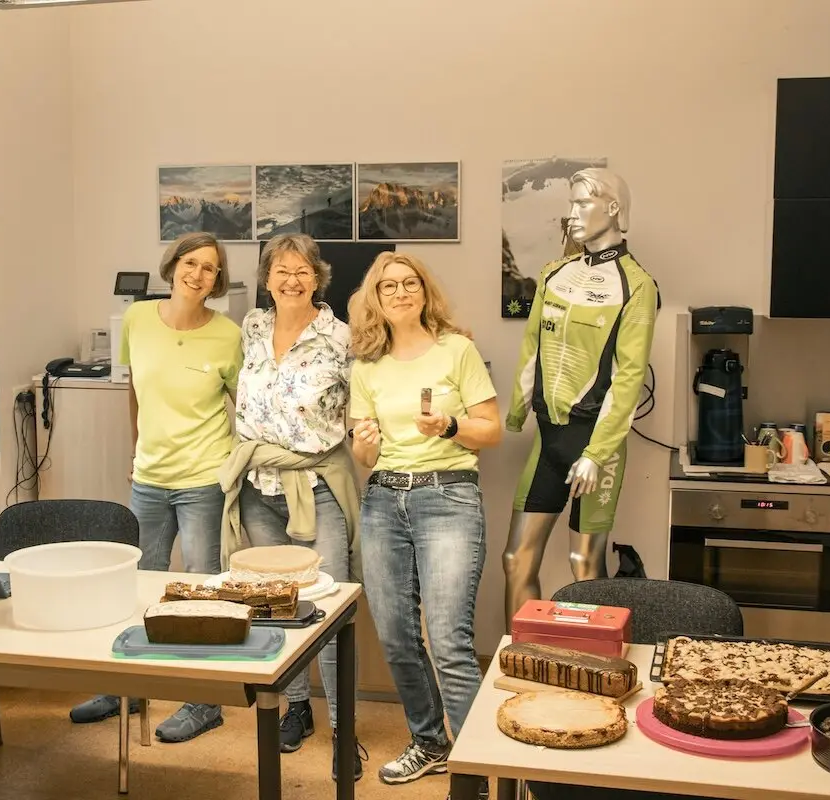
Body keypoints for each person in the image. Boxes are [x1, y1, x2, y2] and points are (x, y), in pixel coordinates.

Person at [69, 232, 243, 746]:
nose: (198, 274)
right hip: (149, 478)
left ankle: (205, 701)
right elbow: (133, 392)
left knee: (203, 592)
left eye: (210, 268)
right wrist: (135, 450)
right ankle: (127, 690)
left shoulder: (229, 335)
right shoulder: (139, 320)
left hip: (204, 479)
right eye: (191, 262)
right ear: (172, 266)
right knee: (139, 587)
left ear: (218, 279)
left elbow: (246, 406)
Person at [347, 252, 501, 791]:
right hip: (384, 501)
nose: (400, 292)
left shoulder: (457, 349)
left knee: (450, 640)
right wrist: (363, 446)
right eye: (388, 286)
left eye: (409, 283)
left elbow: (492, 429)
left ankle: (478, 768)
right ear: (376, 299)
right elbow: (365, 456)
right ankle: (431, 741)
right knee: (394, 636)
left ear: (424, 291)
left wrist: (452, 424)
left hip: (448, 497)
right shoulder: (365, 365)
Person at [218, 233, 365, 781]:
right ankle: (296, 707)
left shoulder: (341, 337)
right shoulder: (252, 328)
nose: (292, 278)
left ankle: (344, 731)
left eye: (303, 269)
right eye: (281, 269)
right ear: (266, 277)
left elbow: (367, 396)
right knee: (280, 604)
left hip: (317, 485)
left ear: (318, 277)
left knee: (328, 607)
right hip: (259, 486)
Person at [502, 167, 659, 628]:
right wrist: (515, 412)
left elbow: (628, 378)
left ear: (612, 210)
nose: (571, 215)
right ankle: (520, 659)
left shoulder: (636, 286)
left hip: (596, 447)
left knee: (586, 568)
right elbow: (532, 346)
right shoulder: (554, 274)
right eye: (570, 204)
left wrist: (596, 452)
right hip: (548, 439)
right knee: (516, 559)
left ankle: (593, 666)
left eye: (582, 204)